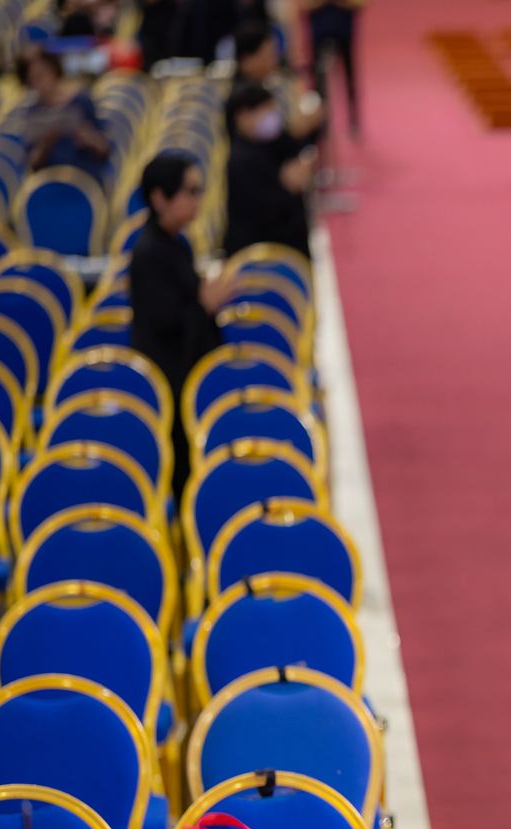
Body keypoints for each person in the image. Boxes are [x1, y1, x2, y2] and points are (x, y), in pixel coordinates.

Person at [130, 152, 224, 494]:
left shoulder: (176, 243)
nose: (199, 199)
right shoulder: (150, 252)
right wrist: (204, 304)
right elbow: (165, 325)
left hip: (186, 378)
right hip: (171, 386)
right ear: (160, 198)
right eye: (191, 191)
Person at [223, 83, 314, 258]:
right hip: (263, 254)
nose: (272, 116)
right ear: (243, 116)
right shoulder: (241, 160)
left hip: (290, 242)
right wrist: (289, 187)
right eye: (266, 110)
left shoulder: (269, 140)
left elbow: (295, 148)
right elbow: (264, 212)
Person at [18, 46, 109, 179]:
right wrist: (47, 141)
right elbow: (32, 164)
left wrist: (86, 136)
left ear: (54, 70)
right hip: (50, 180)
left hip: (84, 177)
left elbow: (104, 149)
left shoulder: (81, 101)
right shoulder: (33, 113)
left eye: (44, 74)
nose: (43, 82)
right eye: (35, 78)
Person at [303, 0, 362, 138]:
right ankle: (320, 126)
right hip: (319, 34)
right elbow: (303, 5)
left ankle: (354, 121)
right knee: (318, 84)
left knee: (350, 79)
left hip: (344, 31)